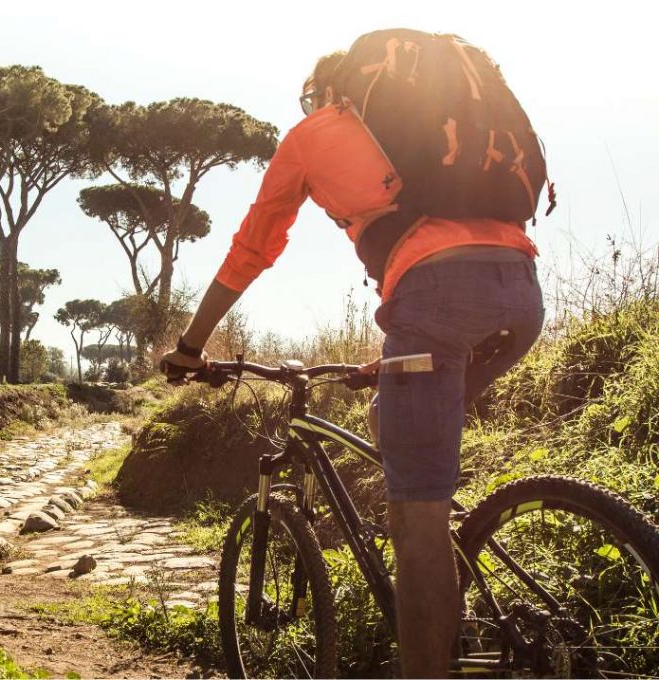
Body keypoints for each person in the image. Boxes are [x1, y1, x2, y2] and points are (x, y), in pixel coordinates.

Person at [160, 48, 546, 678]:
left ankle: (430, 622)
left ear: (329, 93)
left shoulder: (314, 135)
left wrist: (193, 345)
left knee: (414, 516)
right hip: (522, 292)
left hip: (435, 296)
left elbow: (254, 246)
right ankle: (458, 584)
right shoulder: (438, 137)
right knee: (395, 424)